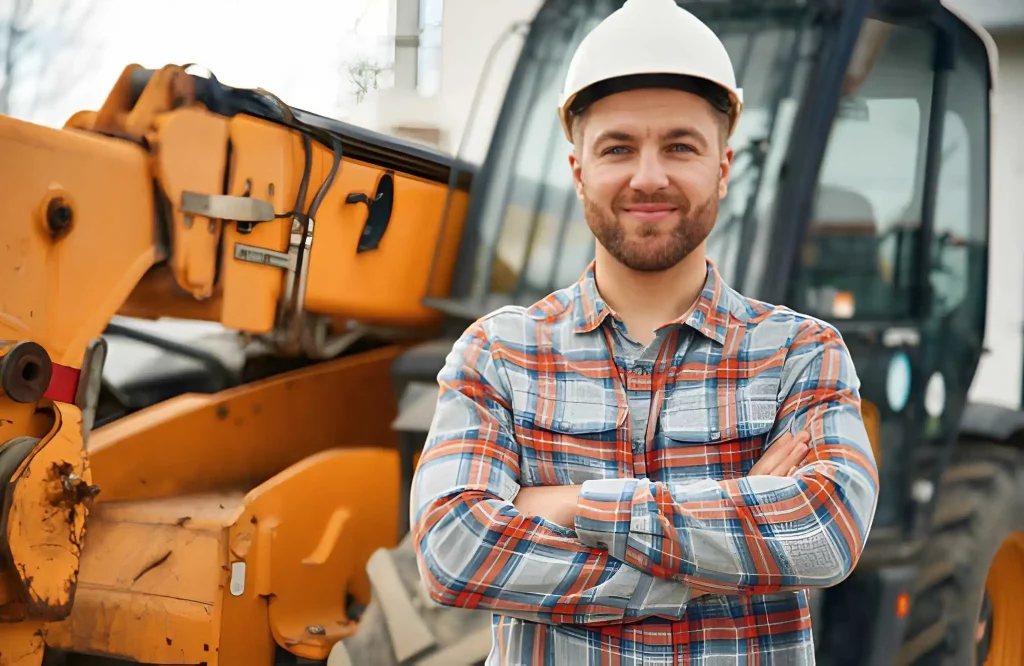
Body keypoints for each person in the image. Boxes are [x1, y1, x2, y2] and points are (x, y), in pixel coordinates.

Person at [409, 0, 880, 663]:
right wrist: (719, 549)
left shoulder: (802, 355)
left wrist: (572, 505)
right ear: (578, 172)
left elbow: (822, 534)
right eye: (618, 148)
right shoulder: (499, 353)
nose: (649, 176)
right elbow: (452, 551)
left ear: (722, 166)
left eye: (680, 146)